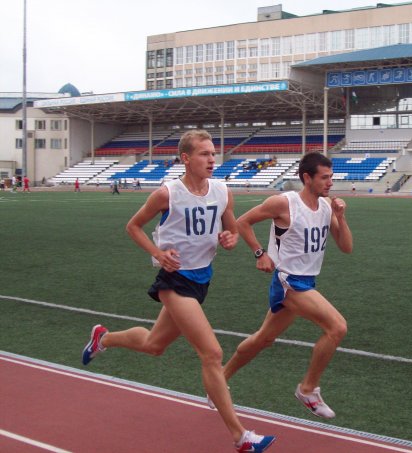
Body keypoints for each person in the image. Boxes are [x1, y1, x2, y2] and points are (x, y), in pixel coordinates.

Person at [81, 130, 275, 453]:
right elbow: (133, 226)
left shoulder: (222, 191)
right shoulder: (167, 194)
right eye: (204, 154)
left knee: (154, 345)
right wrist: (158, 254)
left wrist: (230, 239)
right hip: (174, 280)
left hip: (202, 279)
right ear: (186, 158)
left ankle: (103, 338)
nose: (212, 159)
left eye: (213, 153)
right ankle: (241, 437)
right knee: (212, 353)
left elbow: (231, 228)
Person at [213, 152, 353, 420]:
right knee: (337, 327)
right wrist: (260, 253)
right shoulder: (284, 203)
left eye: (331, 177)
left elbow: (346, 247)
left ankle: (219, 378)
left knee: (263, 339)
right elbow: (243, 222)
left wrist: (340, 217)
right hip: (288, 281)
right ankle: (307, 389)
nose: (330, 183)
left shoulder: (326, 207)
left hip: (307, 280)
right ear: (307, 178)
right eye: (325, 178)